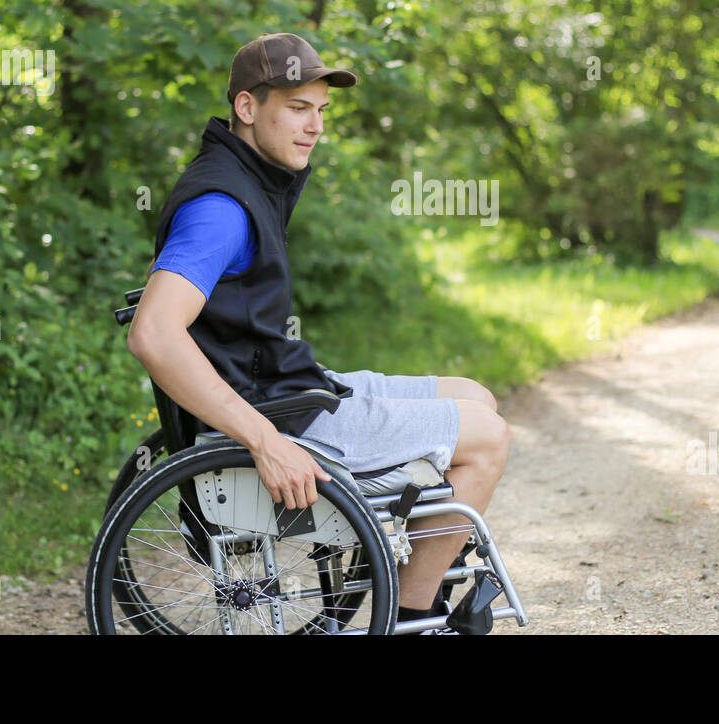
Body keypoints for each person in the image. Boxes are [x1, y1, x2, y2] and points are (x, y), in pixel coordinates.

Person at [126, 31, 511, 629]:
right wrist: (264, 440)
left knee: (474, 395)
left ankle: (419, 574)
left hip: (287, 386)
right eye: (298, 108)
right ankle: (413, 615)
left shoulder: (248, 177)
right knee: (487, 438)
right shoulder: (220, 208)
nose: (315, 126)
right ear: (247, 109)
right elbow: (153, 333)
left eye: (321, 111)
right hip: (279, 415)